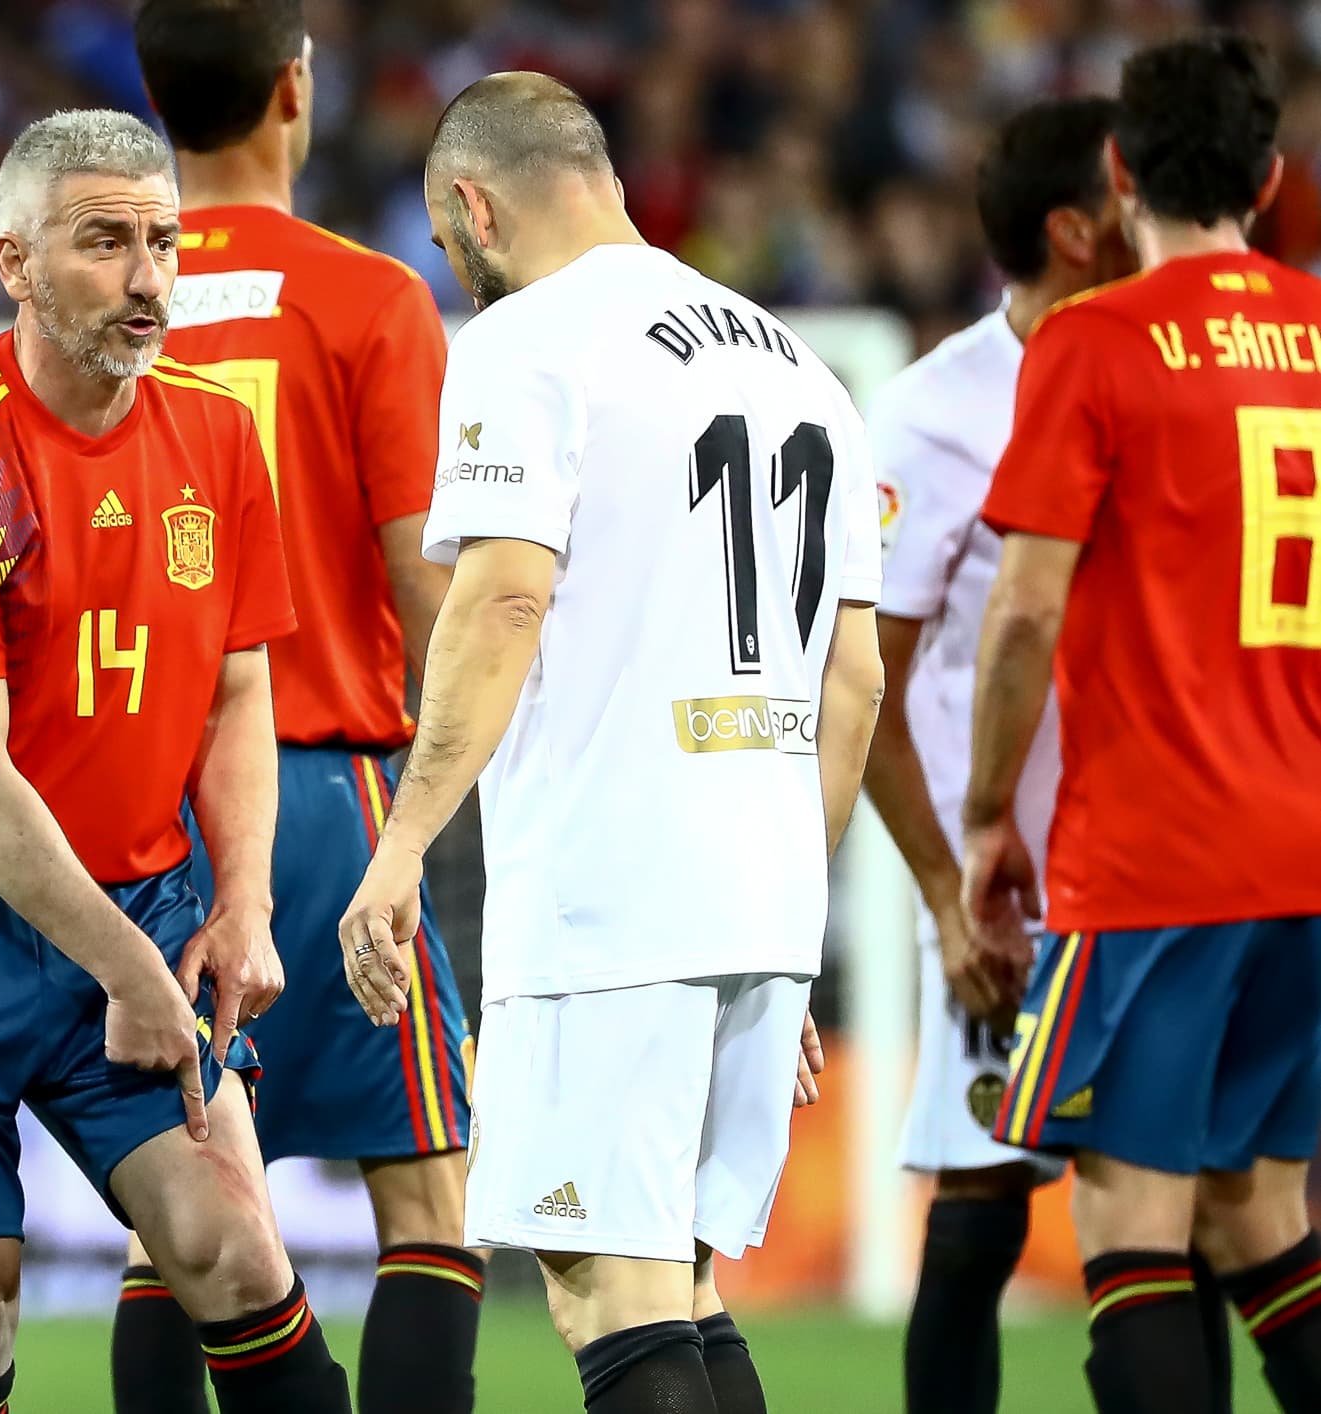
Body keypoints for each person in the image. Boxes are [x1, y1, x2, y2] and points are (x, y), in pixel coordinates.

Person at [339, 72, 884, 1414]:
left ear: (470, 202)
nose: (448, 263)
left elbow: (503, 594)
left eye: (440, 234)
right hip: (760, 887)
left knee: (606, 1286)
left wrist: (402, 841)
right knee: (680, 1278)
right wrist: (789, 902)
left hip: (614, 889)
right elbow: (852, 680)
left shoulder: (530, 342)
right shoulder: (800, 365)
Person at [0, 108, 352, 1414]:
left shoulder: (217, 436)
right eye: (104, 242)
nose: (148, 274)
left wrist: (243, 902)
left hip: (136, 890)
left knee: (232, 1245)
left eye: (161, 240)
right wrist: (130, 971)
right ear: (15, 261)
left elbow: (235, 688)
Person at [116, 6, 477, 1412]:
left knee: (185, 1194)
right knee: (429, 1194)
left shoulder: (100, 292)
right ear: (293, 86)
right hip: (321, 783)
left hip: (148, 810)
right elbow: (427, 582)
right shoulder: (367, 296)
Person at [964, 32, 1321, 1414]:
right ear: (1271, 178)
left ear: (1115, 176)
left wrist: (991, 810)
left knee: (1132, 1227)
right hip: (1302, 851)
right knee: (1259, 1211)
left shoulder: (1093, 341)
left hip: (1162, 849)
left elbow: (1018, 613)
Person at [864, 96, 1232, 1414]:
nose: (1153, 216)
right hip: (1000, 890)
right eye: (1126, 199)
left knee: (1172, 1209)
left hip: (1151, 863)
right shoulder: (927, 416)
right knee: (977, 1214)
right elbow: (868, 685)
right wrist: (938, 890)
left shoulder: (1170, 373)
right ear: (1075, 231)